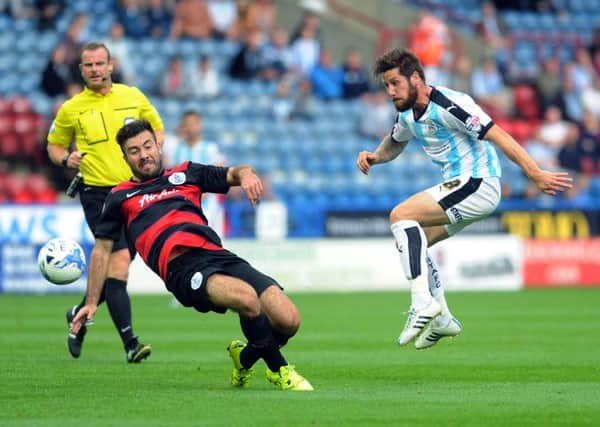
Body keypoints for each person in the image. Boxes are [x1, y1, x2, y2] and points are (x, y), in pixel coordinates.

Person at [70, 119, 313, 391]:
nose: (143, 154)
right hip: (181, 268)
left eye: (147, 146)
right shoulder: (120, 197)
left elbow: (234, 172)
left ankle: (245, 358)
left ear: (158, 145)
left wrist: (246, 174)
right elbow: (103, 249)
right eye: (134, 150)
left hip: (217, 255)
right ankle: (280, 370)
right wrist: (91, 301)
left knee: (288, 319)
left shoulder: (186, 173)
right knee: (246, 299)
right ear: (125, 157)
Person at [356, 48, 572, 350]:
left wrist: (534, 173)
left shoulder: (450, 104)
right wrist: (375, 157)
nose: (390, 91)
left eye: (395, 83)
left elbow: (498, 135)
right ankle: (442, 317)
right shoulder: (406, 112)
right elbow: (395, 142)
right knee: (413, 240)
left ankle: (421, 303)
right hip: (463, 186)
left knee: (400, 216)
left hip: (478, 182)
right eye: (387, 86)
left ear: (415, 77)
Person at [46, 42, 164, 362]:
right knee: (120, 262)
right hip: (98, 193)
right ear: (81, 70)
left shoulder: (133, 97)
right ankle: (130, 343)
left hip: (134, 190)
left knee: (118, 266)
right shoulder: (72, 108)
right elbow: (54, 146)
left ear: (111, 65)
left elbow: (157, 130)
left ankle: (80, 313)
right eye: (89, 65)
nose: (96, 69)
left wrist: (150, 154)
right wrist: (65, 159)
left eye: (100, 63)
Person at [162, 110, 226, 237]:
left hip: (208, 204)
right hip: (182, 203)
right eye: (187, 124)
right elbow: (168, 174)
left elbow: (221, 173)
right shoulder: (175, 149)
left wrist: (207, 189)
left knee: (211, 240)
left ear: (200, 125)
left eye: (193, 124)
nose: (190, 127)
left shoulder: (210, 149)